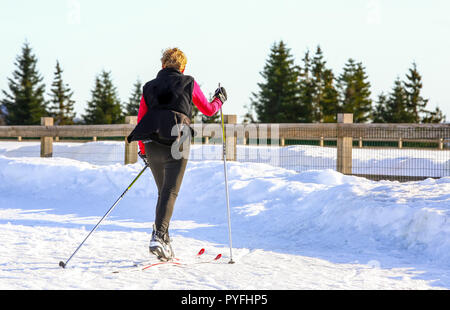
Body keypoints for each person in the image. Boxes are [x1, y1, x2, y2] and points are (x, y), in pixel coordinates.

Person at [127, 48, 227, 261]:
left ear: (163, 65)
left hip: (152, 140)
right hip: (178, 136)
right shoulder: (188, 82)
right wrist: (219, 100)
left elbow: (141, 118)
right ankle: (159, 237)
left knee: (164, 192)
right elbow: (209, 110)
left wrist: (144, 152)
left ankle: (164, 243)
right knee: (169, 192)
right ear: (183, 67)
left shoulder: (149, 87)